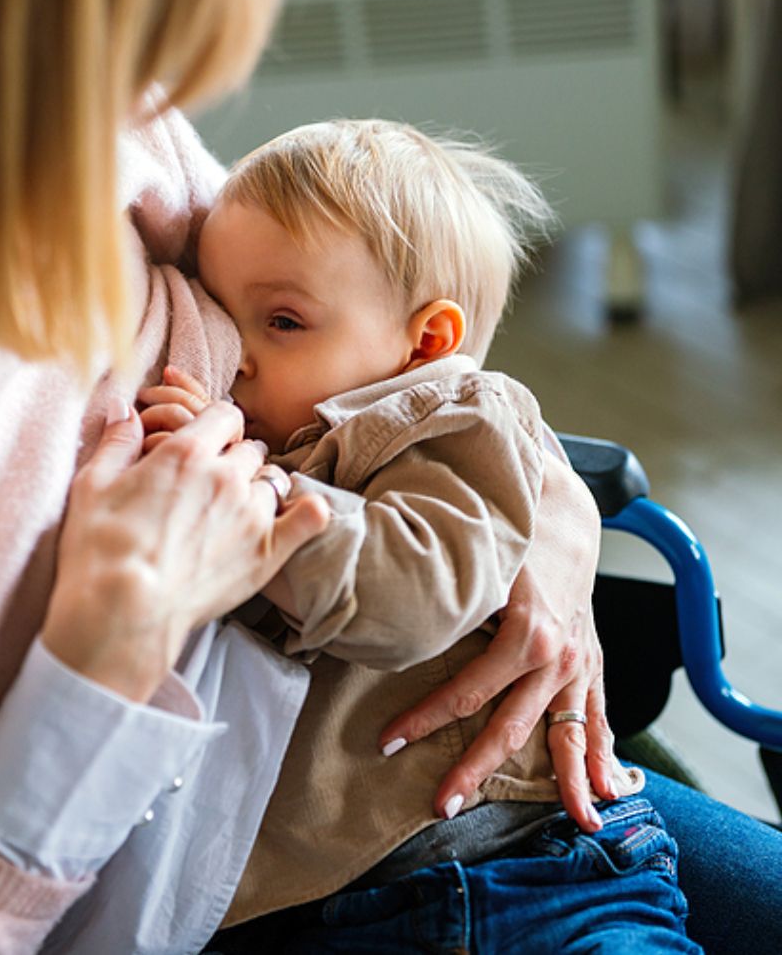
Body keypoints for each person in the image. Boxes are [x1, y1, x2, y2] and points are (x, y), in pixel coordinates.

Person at [0, 0, 775, 953]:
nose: (138, 110)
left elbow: (384, 347)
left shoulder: (66, 93)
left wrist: (542, 544)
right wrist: (106, 650)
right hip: (264, 879)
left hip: (465, 779)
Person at [138, 119, 696, 951]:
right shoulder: (285, 447)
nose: (237, 357)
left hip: (522, 872)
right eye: (220, 313)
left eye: (282, 322)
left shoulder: (450, 419)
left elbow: (408, 599)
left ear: (426, 342)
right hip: (322, 904)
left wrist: (247, 498)